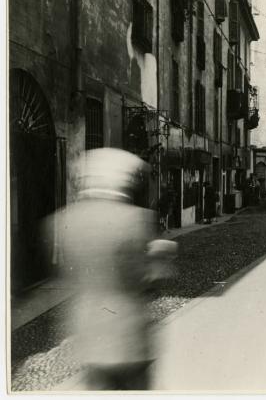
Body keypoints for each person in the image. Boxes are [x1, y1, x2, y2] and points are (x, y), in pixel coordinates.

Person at [50, 148, 176, 390]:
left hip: (86, 336)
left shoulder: (64, 220)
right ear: (120, 182)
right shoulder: (134, 220)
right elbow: (142, 279)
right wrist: (160, 256)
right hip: (127, 336)